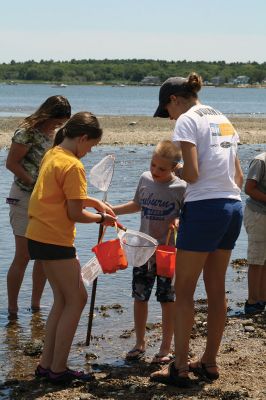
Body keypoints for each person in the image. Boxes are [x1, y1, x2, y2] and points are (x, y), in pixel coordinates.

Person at [150, 73, 243, 387]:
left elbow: (192, 173)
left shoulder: (186, 120)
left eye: (167, 111)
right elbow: (239, 177)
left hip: (205, 209)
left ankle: (179, 367)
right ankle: (209, 363)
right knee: (216, 287)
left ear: (175, 100)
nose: (169, 118)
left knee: (184, 289)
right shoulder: (222, 117)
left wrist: (175, 170)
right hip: (233, 206)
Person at [26, 111, 117, 384]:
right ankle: (58, 369)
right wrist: (102, 218)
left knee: (62, 300)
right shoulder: (74, 165)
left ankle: (46, 365)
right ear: (82, 138)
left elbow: (62, 196)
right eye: (92, 146)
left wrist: (93, 202)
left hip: (37, 235)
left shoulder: (54, 153)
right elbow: (74, 213)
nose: (90, 152)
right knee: (77, 299)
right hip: (55, 239)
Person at [111, 140, 186, 364]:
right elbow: (136, 205)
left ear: (174, 167)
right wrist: (110, 211)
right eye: (153, 165)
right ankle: (139, 343)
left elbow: (187, 214)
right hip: (143, 250)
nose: (155, 171)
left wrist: (179, 221)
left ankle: (165, 347)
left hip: (167, 251)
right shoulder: (145, 178)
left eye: (161, 169)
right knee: (139, 296)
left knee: (167, 299)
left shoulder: (181, 187)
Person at [6, 95, 71, 318]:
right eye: (57, 121)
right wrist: (35, 184)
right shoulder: (26, 131)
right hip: (23, 198)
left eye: (62, 123)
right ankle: (12, 309)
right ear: (47, 114)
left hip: (45, 201)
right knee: (23, 255)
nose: (58, 126)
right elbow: (11, 163)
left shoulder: (54, 135)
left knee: (42, 255)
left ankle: (35, 306)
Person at [243, 152, 266, 314]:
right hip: (257, 214)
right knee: (257, 259)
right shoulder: (260, 161)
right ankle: (252, 302)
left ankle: (262, 299)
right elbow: (249, 189)